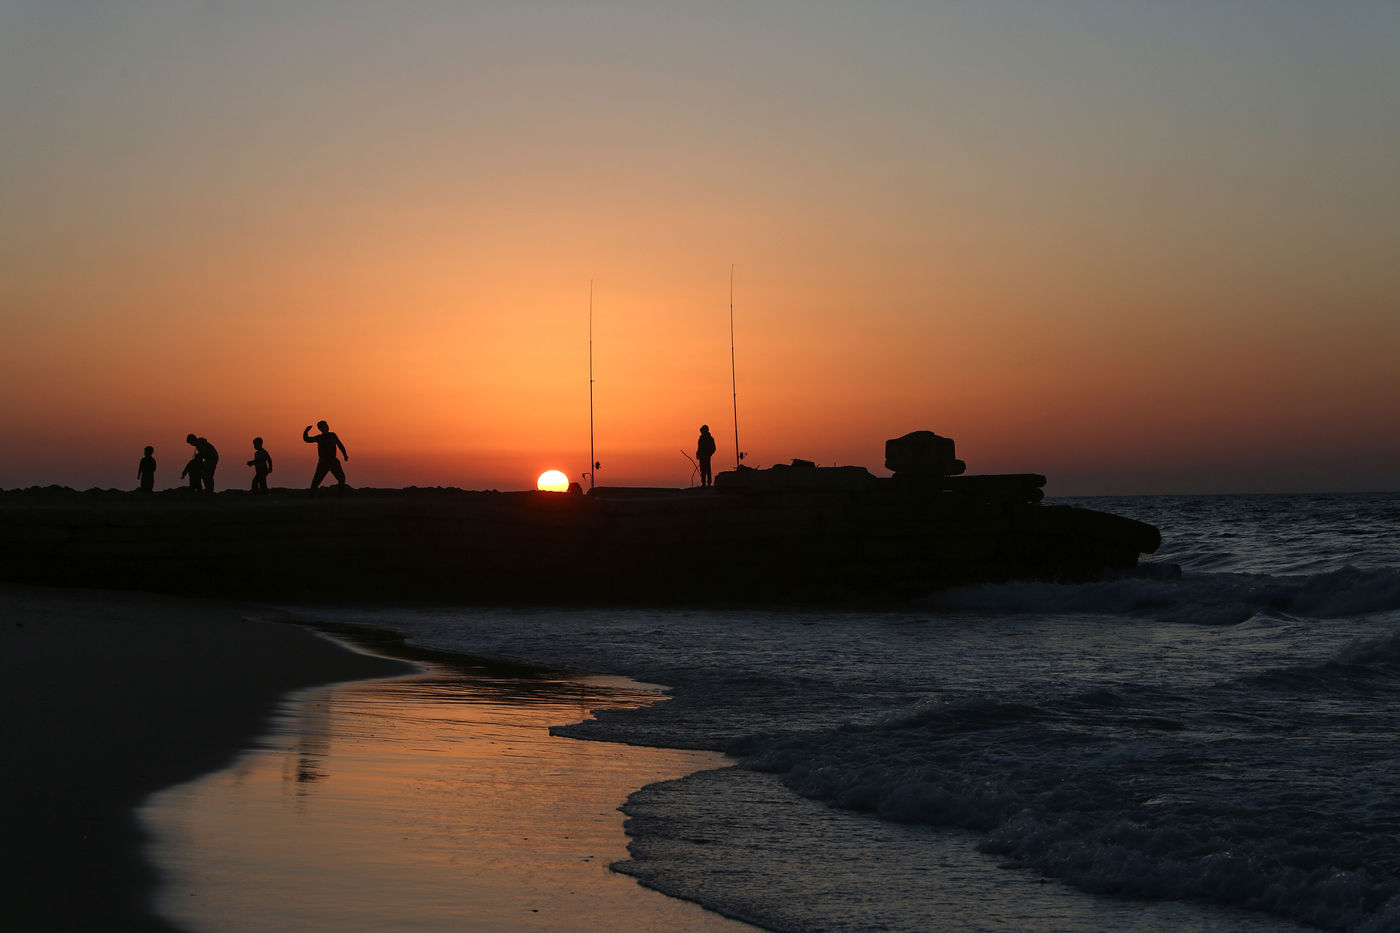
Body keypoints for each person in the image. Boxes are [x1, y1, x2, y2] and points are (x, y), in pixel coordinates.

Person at [303, 420, 349, 496]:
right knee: (317, 480)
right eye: (324, 426)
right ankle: (311, 495)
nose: (326, 427)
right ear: (320, 428)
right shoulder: (319, 437)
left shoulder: (333, 435)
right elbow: (307, 439)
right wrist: (306, 431)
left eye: (326, 425)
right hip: (323, 461)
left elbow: (340, 445)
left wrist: (345, 455)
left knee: (341, 478)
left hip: (333, 460)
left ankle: (340, 495)